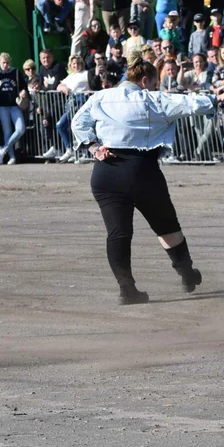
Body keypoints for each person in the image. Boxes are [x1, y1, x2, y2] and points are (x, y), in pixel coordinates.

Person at [71, 56, 215, 304]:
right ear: (145, 80)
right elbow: (192, 104)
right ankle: (187, 274)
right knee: (166, 227)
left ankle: (127, 289)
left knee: (118, 233)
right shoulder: (151, 98)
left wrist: (94, 146)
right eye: (155, 83)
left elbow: (78, 122)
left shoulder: (101, 97)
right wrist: (217, 99)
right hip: (141, 171)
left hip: (105, 172)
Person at [0, 52, 27, 165]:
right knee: (7, 131)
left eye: (7, 63)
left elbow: (22, 86)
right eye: (3, 63)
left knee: (21, 128)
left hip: (14, 104)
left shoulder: (15, 72)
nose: (5, 65)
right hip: (1, 106)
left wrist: (23, 91)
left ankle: (4, 149)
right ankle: (11, 156)